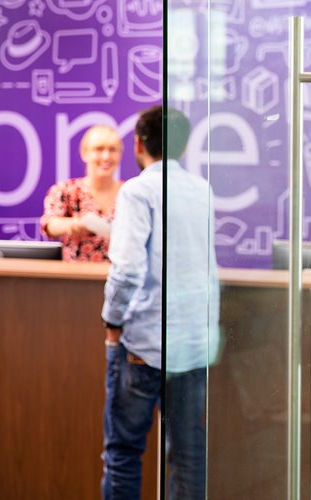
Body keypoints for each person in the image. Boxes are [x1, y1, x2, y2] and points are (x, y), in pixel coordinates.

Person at [100, 106, 219, 499]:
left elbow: (127, 269)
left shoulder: (137, 191)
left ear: (138, 144)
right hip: (193, 344)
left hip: (144, 343)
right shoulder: (201, 190)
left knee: (123, 451)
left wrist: (112, 321)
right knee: (188, 456)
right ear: (183, 146)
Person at [41, 124, 123, 261]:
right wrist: (73, 225)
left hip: (122, 272)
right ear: (84, 153)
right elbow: (49, 224)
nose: (106, 156)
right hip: (76, 272)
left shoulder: (130, 192)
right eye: (99, 149)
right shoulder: (66, 190)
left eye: (113, 150)